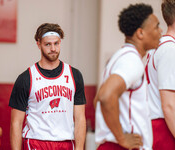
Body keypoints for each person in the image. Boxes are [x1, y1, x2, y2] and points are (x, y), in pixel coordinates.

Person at [94, 3, 162, 150]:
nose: (160, 31)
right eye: (156, 27)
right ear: (140, 33)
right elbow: (106, 96)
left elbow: (97, 100)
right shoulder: (131, 60)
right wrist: (122, 138)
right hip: (121, 146)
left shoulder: (119, 57)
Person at [9, 23, 86, 150]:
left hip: (65, 142)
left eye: (56, 43)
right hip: (36, 142)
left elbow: (80, 118)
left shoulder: (74, 75)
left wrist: (79, 148)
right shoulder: (26, 78)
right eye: (48, 44)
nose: (53, 49)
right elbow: (16, 123)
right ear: (38, 44)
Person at [145, 0, 175, 149]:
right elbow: (169, 106)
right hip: (164, 128)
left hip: (157, 126)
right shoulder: (170, 50)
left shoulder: (159, 45)